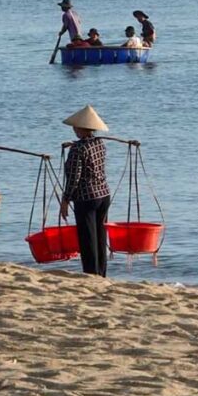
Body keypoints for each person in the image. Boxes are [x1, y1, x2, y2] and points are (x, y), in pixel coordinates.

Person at [60, 105, 111, 277]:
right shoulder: (100, 143)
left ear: (82, 128)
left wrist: (65, 200)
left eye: (76, 126)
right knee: (100, 235)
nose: (74, 129)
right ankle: (101, 272)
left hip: (86, 197)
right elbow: (88, 150)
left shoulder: (77, 149)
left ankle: (91, 274)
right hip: (103, 194)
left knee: (88, 238)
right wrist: (75, 145)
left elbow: (74, 178)